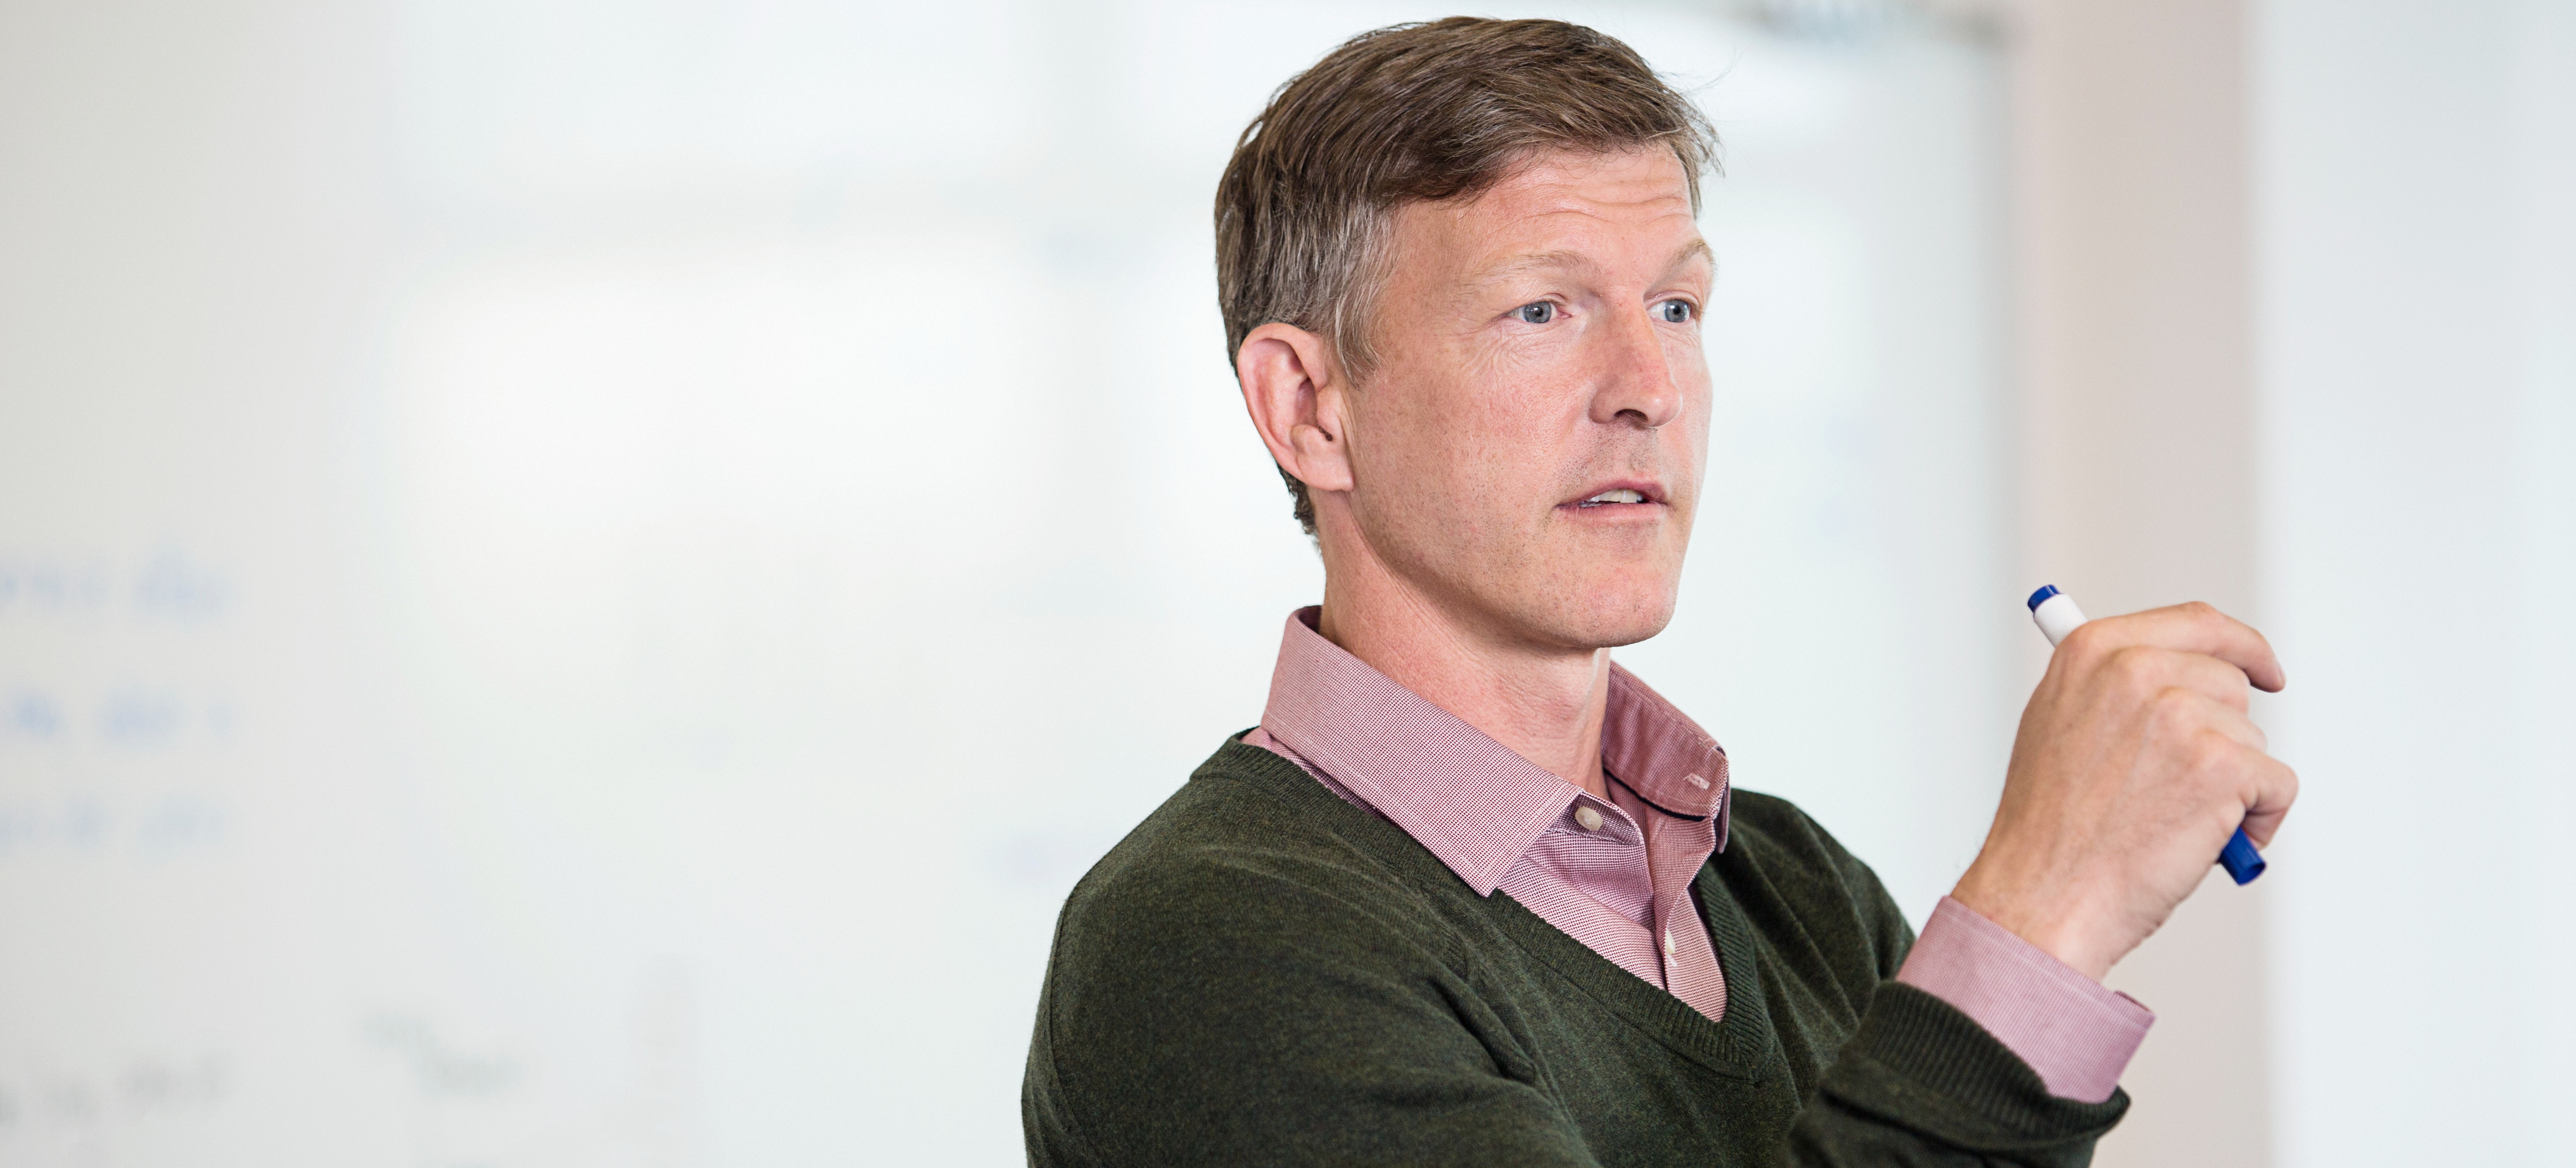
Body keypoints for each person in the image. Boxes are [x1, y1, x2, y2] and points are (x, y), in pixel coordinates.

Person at [1021, 17, 2296, 1166]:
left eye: (1678, 303)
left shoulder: (1795, 886)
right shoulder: (1211, 945)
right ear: (1309, 408)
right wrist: (2041, 916)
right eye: (1541, 310)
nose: (1651, 383)